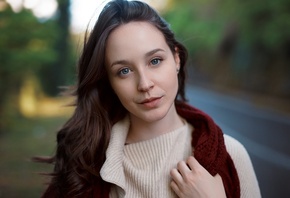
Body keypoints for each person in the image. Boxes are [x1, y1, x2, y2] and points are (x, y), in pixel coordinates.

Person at [38, 0, 261, 197]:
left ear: (176, 59)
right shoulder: (84, 163)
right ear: (109, 81)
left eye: (154, 61)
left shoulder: (231, 155)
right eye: (124, 71)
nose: (145, 84)